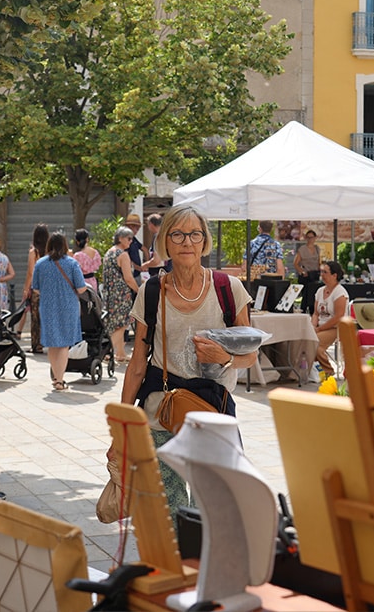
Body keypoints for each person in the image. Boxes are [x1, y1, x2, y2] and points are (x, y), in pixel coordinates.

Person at [119, 205, 254, 515]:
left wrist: (224, 357)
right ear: (165, 240)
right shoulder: (152, 291)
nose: (186, 242)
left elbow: (250, 355)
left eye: (195, 234)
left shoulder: (227, 289)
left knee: (213, 510)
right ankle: (176, 564)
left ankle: (203, 564)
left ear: (205, 241)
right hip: (160, 414)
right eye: (177, 234)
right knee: (171, 515)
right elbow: (138, 363)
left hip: (212, 414)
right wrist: (123, 424)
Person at [32, 232, 87, 391]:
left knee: (52, 343)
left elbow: (35, 289)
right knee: (64, 344)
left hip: (47, 306)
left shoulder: (40, 263)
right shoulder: (72, 263)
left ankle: (56, 378)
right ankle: (59, 380)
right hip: (68, 305)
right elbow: (81, 287)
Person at [102, 227, 140, 362]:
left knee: (114, 324)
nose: (131, 241)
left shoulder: (108, 252)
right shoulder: (123, 255)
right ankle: (107, 351)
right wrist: (139, 290)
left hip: (109, 293)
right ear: (120, 238)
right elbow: (128, 278)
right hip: (121, 294)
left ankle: (121, 353)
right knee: (123, 324)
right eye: (128, 238)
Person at [312, 260, 348, 380]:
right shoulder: (319, 291)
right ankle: (311, 371)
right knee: (305, 340)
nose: (322, 274)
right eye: (321, 272)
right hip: (320, 327)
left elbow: (339, 316)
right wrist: (313, 327)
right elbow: (316, 313)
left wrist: (320, 329)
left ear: (334, 275)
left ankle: (328, 371)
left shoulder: (340, 292)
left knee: (314, 344)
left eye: (325, 272)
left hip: (335, 327)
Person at [20, 223, 49, 352]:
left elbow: (30, 272)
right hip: (49, 288)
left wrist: (26, 289)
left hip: (37, 288)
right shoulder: (51, 251)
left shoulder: (34, 252)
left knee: (36, 317)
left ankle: (37, 345)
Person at [294, 229, 321, 314]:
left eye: (311, 237)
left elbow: (318, 262)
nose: (310, 239)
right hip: (306, 276)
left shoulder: (317, 248)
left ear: (315, 238)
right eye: (308, 237)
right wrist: (302, 272)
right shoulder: (302, 249)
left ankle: (314, 313)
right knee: (306, 296)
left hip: (314, 275)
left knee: (314, 296)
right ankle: (303, 312)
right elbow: (295, 263)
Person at [123, 213, 149, 281]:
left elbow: (145, 249)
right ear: (130, 226)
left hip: (137, 274)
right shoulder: (124, 240)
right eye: (137, 229)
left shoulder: (133, 238)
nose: (137, 231)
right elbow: (125, 258)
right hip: (129, 274)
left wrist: (147, 264)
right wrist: (137, 267)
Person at [0, 238, 16, 311]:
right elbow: (12, 273)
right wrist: (1, 279)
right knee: (2, 309)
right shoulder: (4, 257)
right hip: (2, 287)